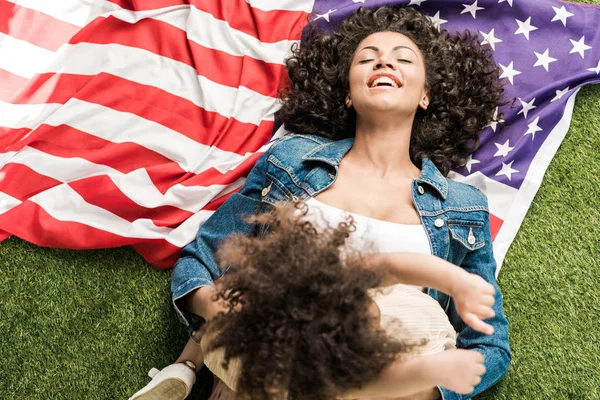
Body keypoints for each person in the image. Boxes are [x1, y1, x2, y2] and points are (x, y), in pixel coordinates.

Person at [129, 5, 510, 400]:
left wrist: (422, 393)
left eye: (403, 58)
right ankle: (192, 365)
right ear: (347, 93)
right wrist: (226, 316)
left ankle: (188, 365)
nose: (383, 62)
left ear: (426, 94)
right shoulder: (290, 160)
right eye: (367, 58)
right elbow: (203, 259)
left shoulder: (463, 208)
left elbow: (490, 344)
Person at [199, 203, 496, 400]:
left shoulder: (329, 279)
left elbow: (396, 266)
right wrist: (439, 371)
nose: (377, 331)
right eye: (369, 332)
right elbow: (400, 379)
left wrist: (457, 282)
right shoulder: (333, 380)